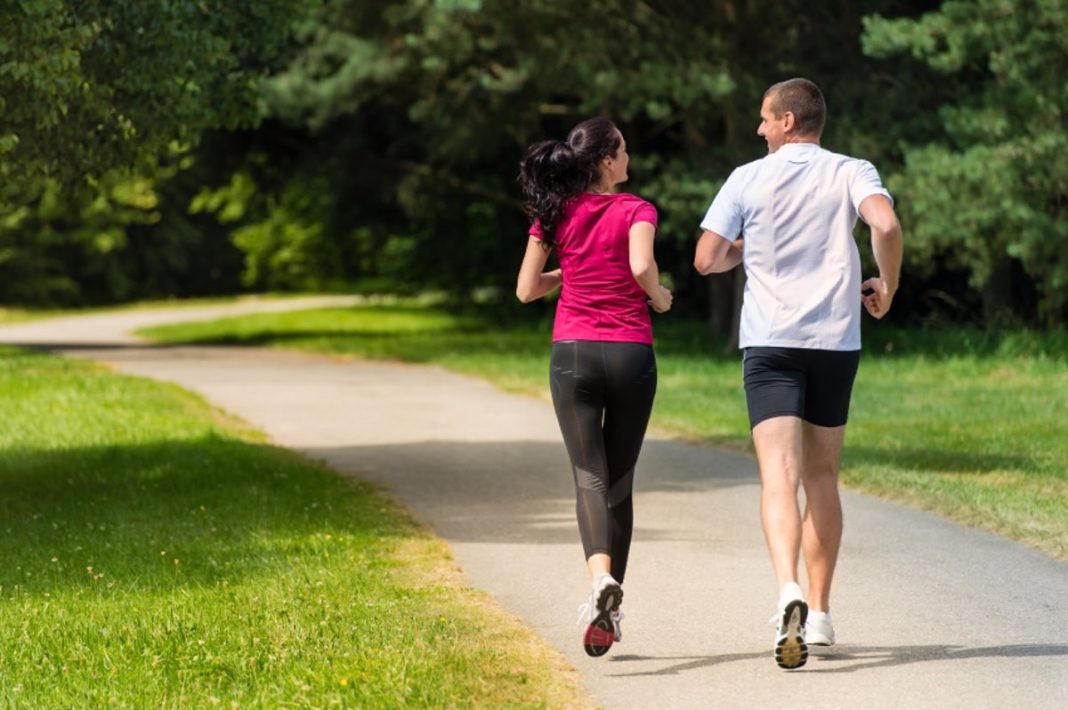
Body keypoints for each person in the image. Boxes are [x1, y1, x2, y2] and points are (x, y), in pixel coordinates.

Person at [693, 78, 902, 670]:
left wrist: (745, 251)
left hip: (771, 345)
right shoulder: (851, 169)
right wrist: (888, 285)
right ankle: (823, 611)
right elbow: (884, 226)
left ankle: (787, 589)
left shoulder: (746, 178)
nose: (758, 129)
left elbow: (706, 257)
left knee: (778, 477)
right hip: (835, 341)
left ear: (788, 122)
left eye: (764, 119)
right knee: (823, 476)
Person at [516, 117, 673, 657]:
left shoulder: (553, 214)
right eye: (623, 151)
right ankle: (611, 603)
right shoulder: (638, 209)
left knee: (589, 476)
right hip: (631, 354)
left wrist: (568, 274)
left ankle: (599, 581)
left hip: (574, 356)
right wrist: (659, 296)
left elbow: (524, 290)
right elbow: (640, 264)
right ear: (607, 160)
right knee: (621, 481)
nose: (628, 159)